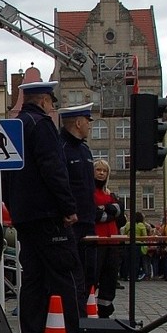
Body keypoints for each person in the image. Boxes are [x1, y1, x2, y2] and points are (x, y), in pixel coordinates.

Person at [3, 80, 83, 333]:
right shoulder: (42, 125)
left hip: (25, 218)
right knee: (67, 275)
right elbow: (53, 168)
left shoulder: (15, 126)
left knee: (33, 281)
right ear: (45, 101)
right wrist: (68, 207)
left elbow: (7, 173)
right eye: (52, 101)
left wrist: (15, 209)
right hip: (49, 216)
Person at [58, 103, 95, 315]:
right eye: (88, 122)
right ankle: (75, 317)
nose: (89, 126)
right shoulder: (62, 147)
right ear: (78, 122)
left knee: (89, 272)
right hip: (72, 222)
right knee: (73, 273)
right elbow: (63, 184)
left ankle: (84, 313)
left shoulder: (84, 149)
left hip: (88, 221)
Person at [90, 159, 125, 316]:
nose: (101, 173)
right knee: (93, 277)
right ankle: (88, 307)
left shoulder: (111, 194)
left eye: (104, 171)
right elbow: (94, 215)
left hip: (113, 241)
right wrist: (110, 212)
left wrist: (106, 211)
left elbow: (120, 214)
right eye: (98, 170)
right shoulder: (89, 192)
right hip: (96, 241)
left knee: (110, 279)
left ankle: (105, 310)